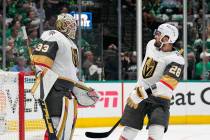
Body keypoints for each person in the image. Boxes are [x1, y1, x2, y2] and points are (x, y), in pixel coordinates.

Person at [31, 13, 98, 140]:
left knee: (65, 129)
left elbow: (70, 74)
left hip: (66, 91)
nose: (72, 27)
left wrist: (80, 89)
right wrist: (41, 78)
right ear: (60, 25)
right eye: (68, 25)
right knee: (56, 126)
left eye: (73, 25)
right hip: (54, 88)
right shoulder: (54, 35)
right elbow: (40, 62)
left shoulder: (72, 44)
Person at [119, 23, 185, 140]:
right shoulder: (151, 45)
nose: (155, 36)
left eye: (159, 34)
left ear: (167, 39)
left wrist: (141, 94)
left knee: (156, 132)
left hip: (160, 100)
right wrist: (138, 92)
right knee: (129, 131)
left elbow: (166, 85)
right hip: (138, 93)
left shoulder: (177, 60)